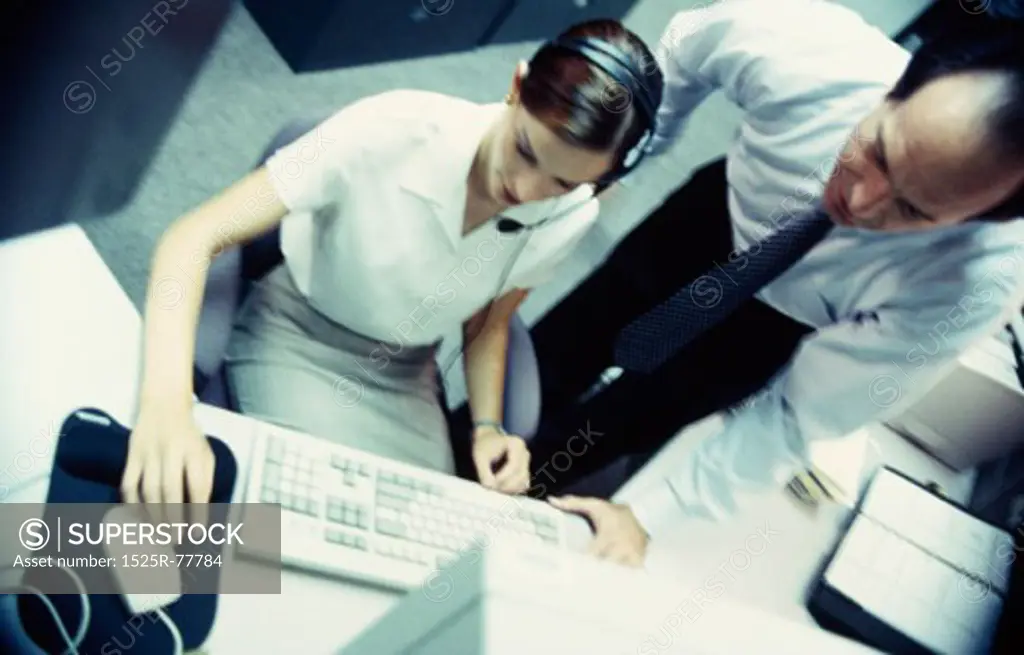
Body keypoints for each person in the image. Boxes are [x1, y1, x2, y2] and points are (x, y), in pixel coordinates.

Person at [526, 1, 1024, 567]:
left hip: (775, 324)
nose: (860, 202)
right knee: (573, 334)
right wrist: (621, 156)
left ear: (980, 218)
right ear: (898, 86)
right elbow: (685, 49)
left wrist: (651, 513)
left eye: (913, 208)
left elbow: (797, 416)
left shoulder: (976, 282)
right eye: (879, 152)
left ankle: (533, 481)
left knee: (624, 422)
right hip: (710, 218)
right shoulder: (810, 49)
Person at [120, 19, 664, 506]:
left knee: (411, 548)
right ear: (516, 87)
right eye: (526, 150)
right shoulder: (387, 126)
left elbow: (489, 322)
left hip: (405, 375)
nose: (525, 190)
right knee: (297, 522)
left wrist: (488, 426)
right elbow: (193, 236)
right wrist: (165, 403)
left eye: (563, 182)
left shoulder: (571, 215)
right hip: (300, 337)